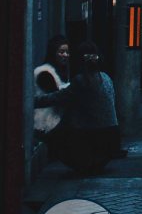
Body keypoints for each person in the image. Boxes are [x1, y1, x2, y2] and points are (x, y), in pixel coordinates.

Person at [35, 41, 123, 174]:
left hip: (91, 137)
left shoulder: (81, 81)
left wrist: (33, 101)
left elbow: (59, 97)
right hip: (112, 137)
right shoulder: (106, 77)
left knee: (56, 132)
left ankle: (83, 161)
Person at [34, 35, 70, 141]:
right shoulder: (44, 72)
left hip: (55, 124)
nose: (65, 55)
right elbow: (58, 96)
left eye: (67, 52)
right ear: (53, 53)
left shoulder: (58, 72)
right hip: (46, 126)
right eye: (61, 52)